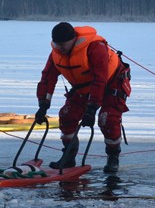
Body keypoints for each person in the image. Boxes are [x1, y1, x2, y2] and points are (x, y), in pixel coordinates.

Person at [34, 22, 132, 174]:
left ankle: (113, 157)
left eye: (63, 45)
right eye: (57, 44)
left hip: (112, 83)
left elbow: (100, 79)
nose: (60, 48)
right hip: (84, 86)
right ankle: (69, 156)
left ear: (73, 40)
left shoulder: (95, 48)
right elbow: (47, 78)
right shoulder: (56, 54)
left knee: (107, 119)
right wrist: (43, 104)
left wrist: (91, 109)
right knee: (67, 115)